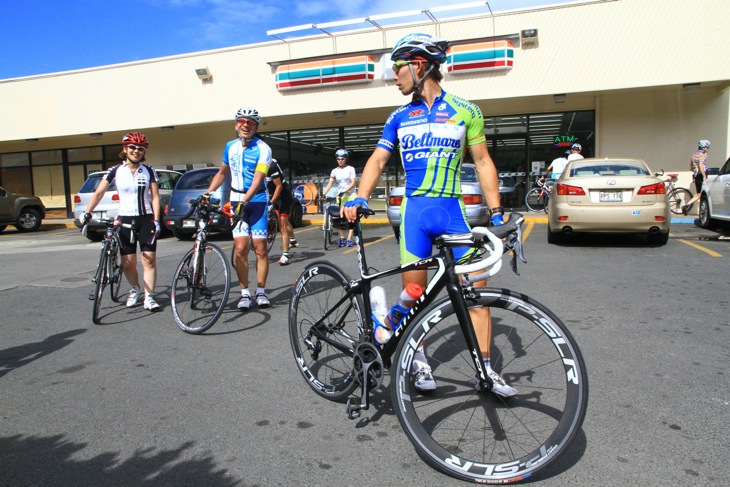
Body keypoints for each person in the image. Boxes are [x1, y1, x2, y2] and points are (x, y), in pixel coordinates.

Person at [342, 33, 516, 397]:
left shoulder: (466, 110)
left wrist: (497, 211)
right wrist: (360, 197)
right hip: (416, 213)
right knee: (415, 292)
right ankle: (417, 358)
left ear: (418, 65)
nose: (394, 78)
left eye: (397, 69)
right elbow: (377, 160)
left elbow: (483, 162)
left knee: (476, 293)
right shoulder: (399, 117)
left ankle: (485, 369)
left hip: (453, 211)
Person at [79, 132, 162, 312]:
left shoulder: (149, 170)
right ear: (125, 149)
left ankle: (150, 297)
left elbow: (155, 197)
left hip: (146, 219)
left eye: (140, 148)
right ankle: (136, 288)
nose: (136, 151)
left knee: (149, 261)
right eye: (132, 147)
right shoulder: (115, 171)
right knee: (128, 263)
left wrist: (156, 220)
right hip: (124, 219)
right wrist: (87, 212)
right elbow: (99, 193)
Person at [205, 107, 272, 310]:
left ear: (256, 127)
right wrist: (208, 193)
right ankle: (244, 293)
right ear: (236, 125)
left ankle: (261, 292)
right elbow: (222, 173)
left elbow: (258, 180)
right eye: (242, 122)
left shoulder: (264, 149)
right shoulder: (230, 147)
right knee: (241, 248)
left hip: (257, 201)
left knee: (260, 248)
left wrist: (245, 201)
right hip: (236, 200)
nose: (246, 125)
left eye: (250, 123)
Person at [321, 148, 357, 247]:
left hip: (350, 195)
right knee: (340, 216)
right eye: (338, 159)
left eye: (342, 159)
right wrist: (322, 194)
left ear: (346, 159)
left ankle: (349, 238)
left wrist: (344, 191)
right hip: (340, 196)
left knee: (350, 217)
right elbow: (330, 184)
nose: (340, 161)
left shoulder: (351, 169)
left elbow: (353, 183)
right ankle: (342, 237)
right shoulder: (334, 171)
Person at [267, 159, 299, 266]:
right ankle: (293, 240)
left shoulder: (271, 166)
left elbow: (279, 186)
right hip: (272, 195)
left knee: (283, 226)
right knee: (282, 222)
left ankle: (285, 255)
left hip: (283, 196)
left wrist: (271, 202)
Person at [682, 139, 711, 215]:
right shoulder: (702, 155)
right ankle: (703, 211)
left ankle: (686, 205)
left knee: (699, 194)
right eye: (707, 147)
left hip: (696, 176)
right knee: (702, 194)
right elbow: (701, 165)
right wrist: (704, 176)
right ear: (703, 147)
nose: (708, 149)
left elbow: (691, 168)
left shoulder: (694, 155)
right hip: (701, 175)